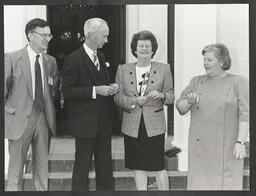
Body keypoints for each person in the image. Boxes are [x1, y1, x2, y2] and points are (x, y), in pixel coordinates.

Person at [176, 43, 249, 190]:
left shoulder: (238, 82)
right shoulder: (196, 81)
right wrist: (188, 101)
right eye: (204, 60)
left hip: (227, 145)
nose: (205, 64)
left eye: (209, 60)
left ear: (222, 61)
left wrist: (240, 142)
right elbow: (180, 108)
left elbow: (245, 116)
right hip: (200, 147)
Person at [114, 30, 174, 190]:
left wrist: (161, 94)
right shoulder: (123, 69)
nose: (144, 48)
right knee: (137, 164)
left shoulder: (163, 69)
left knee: (158, 165)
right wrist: (133, 100)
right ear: (134, 49)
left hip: (154, 125)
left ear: (153, 49)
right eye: (141, 45)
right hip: (132, 125)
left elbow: (171, 96)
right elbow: (117, 97)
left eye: (148, 46)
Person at [62, 18, 118, 191]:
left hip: (104, 123)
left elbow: (103, 84)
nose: (107, 40)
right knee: (82, 167)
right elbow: (68, 91)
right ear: (90, 35)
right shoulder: (73, 59)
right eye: (104, 36)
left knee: (105, 167)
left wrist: (111, 87)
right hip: (84, 124)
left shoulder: (101, 56)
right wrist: (95, 90)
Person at [4, 18, 58, 191]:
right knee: (15, 172)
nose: (46, 39)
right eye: (43, 35)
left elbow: (53, 89)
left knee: (41, 170)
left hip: (43, 119)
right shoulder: (11, 58)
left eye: (49, 35)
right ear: (30, 35)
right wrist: (9, 110)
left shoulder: (51, 61)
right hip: (19, 120)